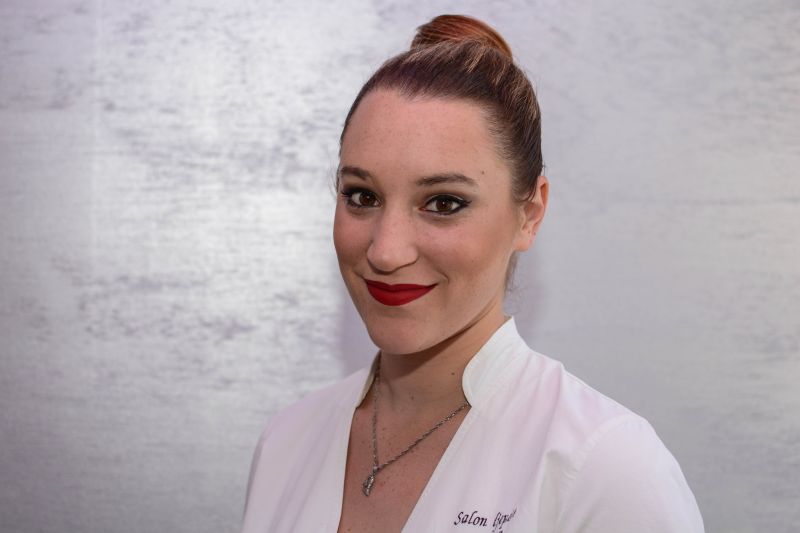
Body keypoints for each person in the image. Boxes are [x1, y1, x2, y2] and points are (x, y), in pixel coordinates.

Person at [241, 14, 704, 533]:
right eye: (362, 196)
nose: (386, 252)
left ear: (529, 214)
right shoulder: (287, 442)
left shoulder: (606, 468)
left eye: (443, 202)